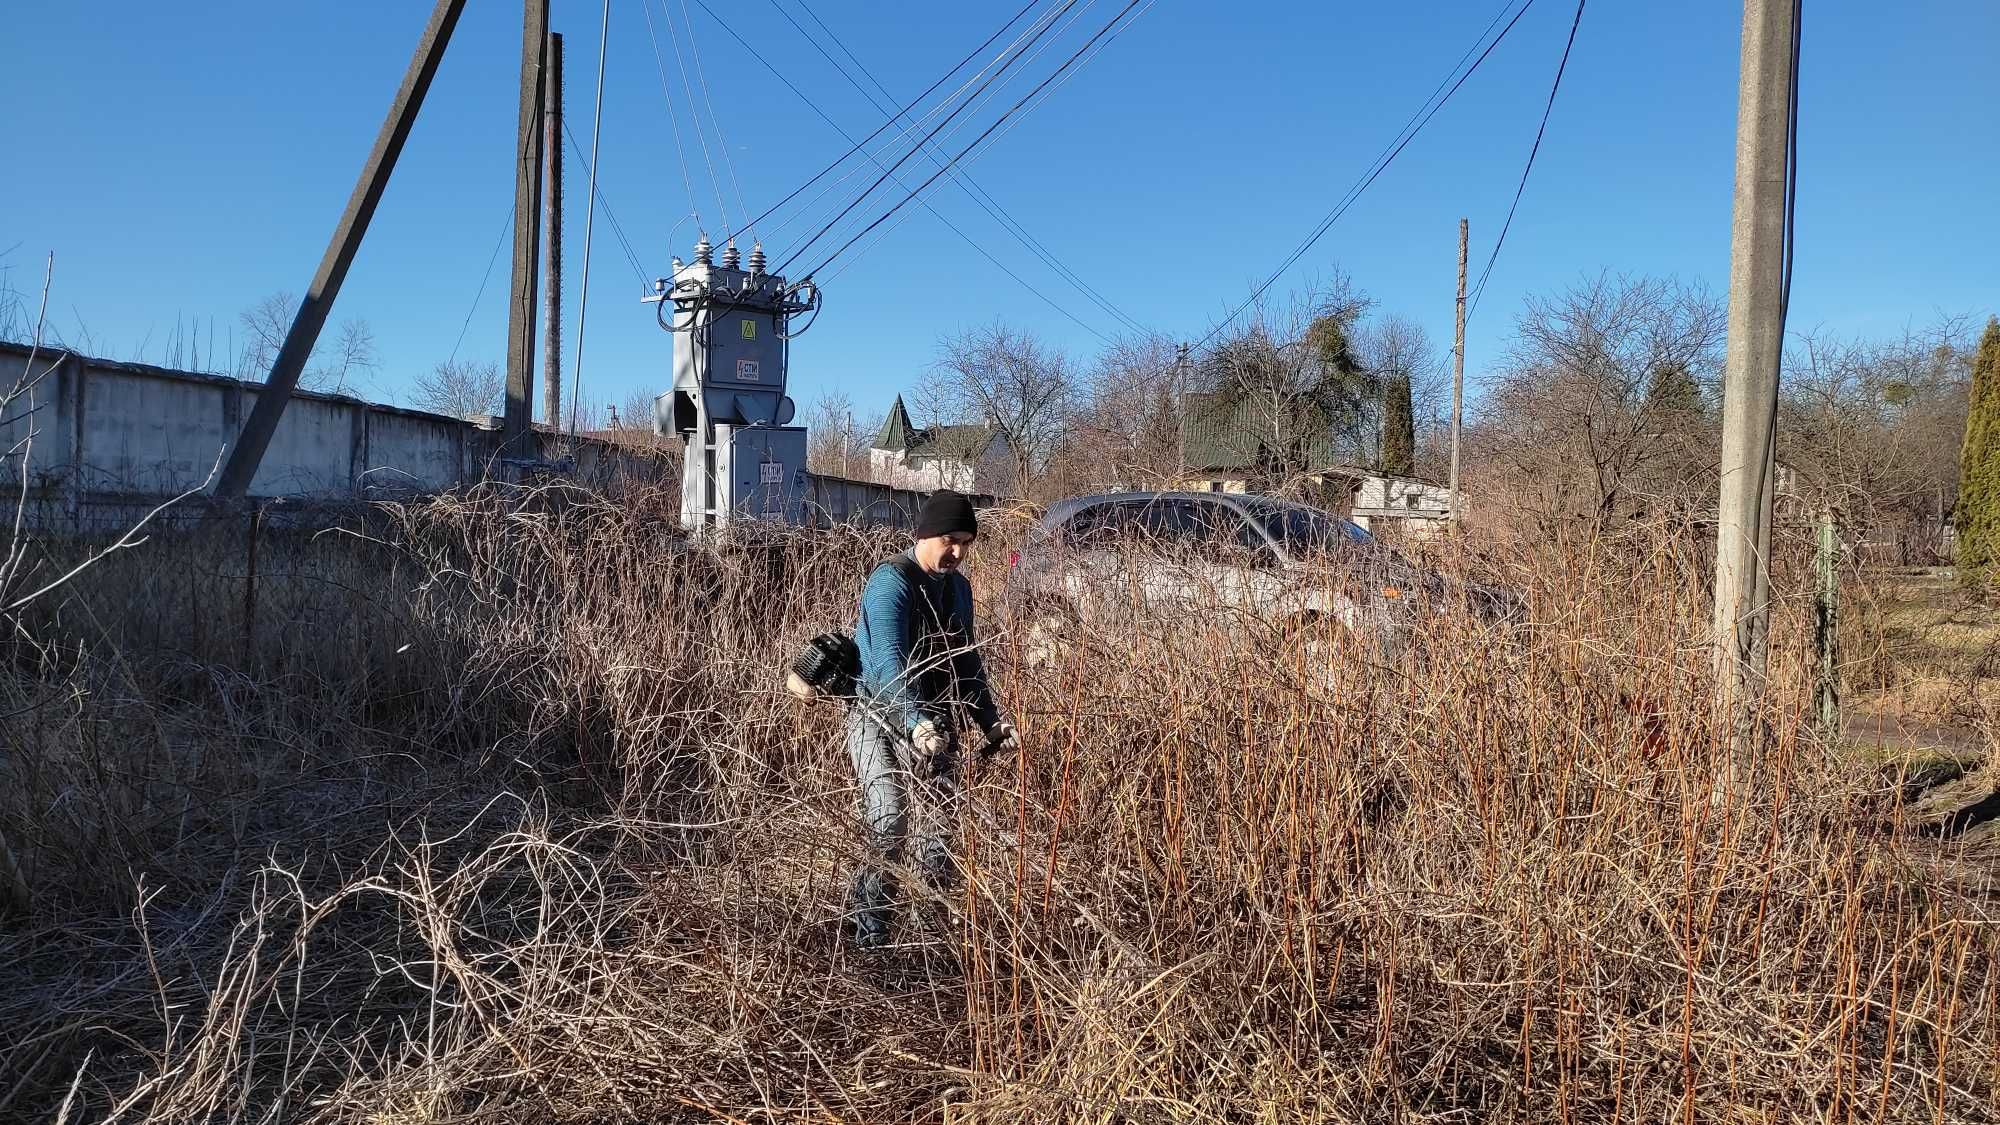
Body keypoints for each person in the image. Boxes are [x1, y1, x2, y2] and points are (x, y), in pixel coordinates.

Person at [845, 489, 1018, 949]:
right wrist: (914, 719)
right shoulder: (891, 582)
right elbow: (886, 662)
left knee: (942, 826)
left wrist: (991, 722)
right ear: (924, 535)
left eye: (966, 541)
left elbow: (966, 661)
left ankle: (928, 933)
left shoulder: (959, 588)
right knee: (891, 819)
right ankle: (870, 929)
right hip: (878, 716)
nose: (957, 551)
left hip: (936, 724)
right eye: (948, 539)